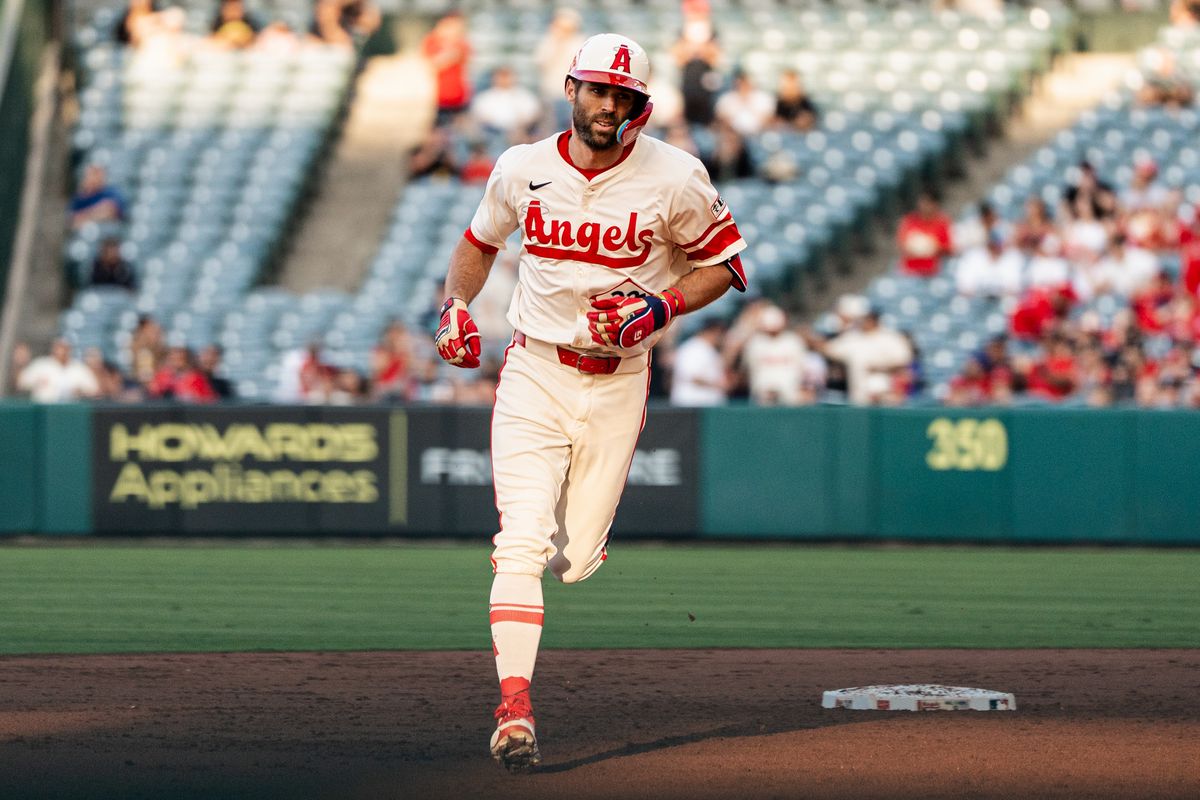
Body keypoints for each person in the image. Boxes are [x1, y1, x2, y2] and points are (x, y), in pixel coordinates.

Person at [431, 32, 747, 772]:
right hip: (534, 370)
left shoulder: (674, 175)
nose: (611, 104)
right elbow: (480, 242)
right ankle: (514, 709)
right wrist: (454, 304)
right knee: (521, 543)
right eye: (599, 89)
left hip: (617, 378)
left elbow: (724, 265)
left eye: (625, 95)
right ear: (571, 89)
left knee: (570, 560)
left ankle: (575, 559)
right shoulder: (522, 167)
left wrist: (660, 307)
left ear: (641, 103)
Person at [817, 309, 912, 405]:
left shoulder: (891, 338)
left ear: (875, 321)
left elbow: (904, 361)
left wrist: (879, 367)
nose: (864, 323)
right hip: (859, 394)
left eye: (867, 320)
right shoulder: (853, 337)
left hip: (884, 392)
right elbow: (828, 349)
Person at [422, 12, 472, 127]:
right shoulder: (432, 41)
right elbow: (433, 64)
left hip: (460, 97)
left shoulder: (462, 43)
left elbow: (456, 56)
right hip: (440, 98)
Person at [16, 339, 100, 402]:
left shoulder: (79, 368)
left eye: (64, 349)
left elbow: (94, 390)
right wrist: (37, 382)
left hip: (71, 411)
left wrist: (81, 392)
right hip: (44, 410)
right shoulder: (41, 365)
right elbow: (22, 383)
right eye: (58, 348)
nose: (61, 352)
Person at [669, 318, 730, 405]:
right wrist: (717, 385)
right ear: (714, 331)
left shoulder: (709, 349)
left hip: (705, 405)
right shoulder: (693, 348)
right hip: (691, 405)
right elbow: (692, 376)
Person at [470, 67, 542, 140]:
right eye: (501, 76)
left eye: (507, 76)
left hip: (521, 132)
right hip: (493, 133)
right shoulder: (485, 98)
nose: (504, 80)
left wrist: (519, 128)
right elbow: (482, 117)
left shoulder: (525, 96)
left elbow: (533, 114)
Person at [896, 191, 953, 276]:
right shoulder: (910, 221)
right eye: (922, 202)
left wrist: (934, 246)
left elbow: (949, 247)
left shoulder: (943, 222)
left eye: (927, 203)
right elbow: (902, 244)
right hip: (912, 266)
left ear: (935, 204)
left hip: (935, 267)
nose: (923, 206)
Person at [714, 71, 775, 139]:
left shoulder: (764, 98)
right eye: (740, 84)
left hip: (758, 135)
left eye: (745, 83)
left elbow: (767, 119)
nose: (743, 86)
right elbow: (721, 118)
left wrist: (749, 105)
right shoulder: (726, 98)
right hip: (732, 135)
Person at [71, 165, 126, 229]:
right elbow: (71, 221)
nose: (94, 177)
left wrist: (83, 217)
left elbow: (109, 210)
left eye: (97, 173)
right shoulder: (78, 196)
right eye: (91, 173)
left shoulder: (111, 192)